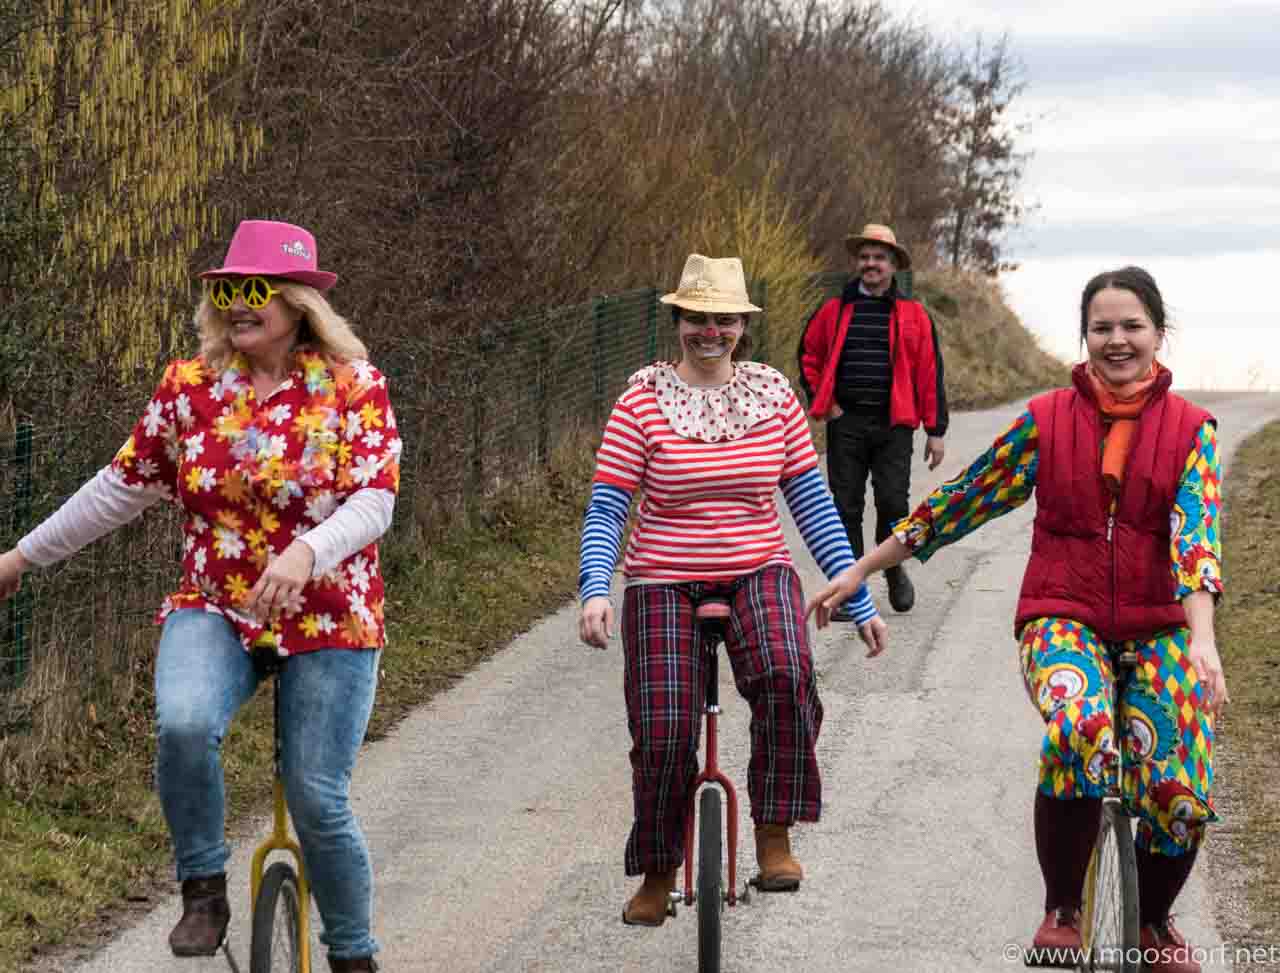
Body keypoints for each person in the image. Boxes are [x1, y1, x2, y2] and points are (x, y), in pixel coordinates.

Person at [0, 219, 400, 973]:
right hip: (216, 605)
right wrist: (21, 556)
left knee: (317, 798)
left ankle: (354, 954)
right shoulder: (189, 391)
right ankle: (203, 887)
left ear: (298, 302)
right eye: (225, 291)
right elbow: (117, 489)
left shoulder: (355, 387)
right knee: (183, 723)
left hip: (331, 616)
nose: (237, 306)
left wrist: (307, 550)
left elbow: (374, 499)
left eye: (254, 291)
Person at [807, 266, 1225, 973]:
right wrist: (862, 567)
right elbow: (962, 500)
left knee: (1179, 789)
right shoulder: (1047, 420)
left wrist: (1203, 642)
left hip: (1161, 624)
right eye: (1102, 327)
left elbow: (1196, 543)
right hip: (1063, 616)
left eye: (1132, 326)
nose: (1117, 341)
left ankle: (1152, 922)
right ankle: (1063, 906)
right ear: (1084, 335)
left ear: (1158, 332)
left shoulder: (1191, 431)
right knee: (1082, 726)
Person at [577, 253, 889, 927]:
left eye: (723, 319)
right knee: (662, 731)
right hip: (663, 578)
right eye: (697, 318)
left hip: (757, 571)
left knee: (786, 673)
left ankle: (773, 832)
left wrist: (855, 594)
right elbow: (608, 506)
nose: (709, 331)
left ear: (742, 326)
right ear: (678, 321)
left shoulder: (772, 395)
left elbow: (810, 501)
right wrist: (595, 588)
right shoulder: (641, 399)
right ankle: (659, 869)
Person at [797, 222, 948, 617]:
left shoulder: (915, 316)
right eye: (864, 257)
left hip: (895, 426)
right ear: (857, 263)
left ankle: (893, 566)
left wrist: (936, 431)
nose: (870, 264)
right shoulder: (833, 311)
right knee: (845, 507)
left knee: (894, 504)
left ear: (893, 264)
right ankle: (851, 590)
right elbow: (808, 357)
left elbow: (930, 374)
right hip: (846, 424)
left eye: (879, 257)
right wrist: (825, 405)